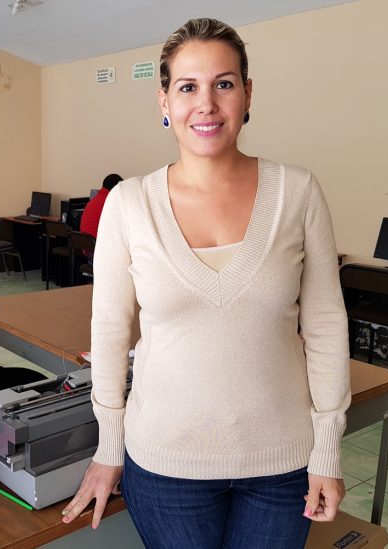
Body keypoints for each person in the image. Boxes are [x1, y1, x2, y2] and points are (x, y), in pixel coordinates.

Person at [62, 18, 350, 549]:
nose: (207, 104)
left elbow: (327, 326)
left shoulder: (299, 192)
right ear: (164, 101)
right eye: (188, 86)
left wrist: (327, 449)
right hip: (167, 466)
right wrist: (108, 447)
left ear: (246, 93)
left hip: (283, 465)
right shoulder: (129, 204)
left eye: (224, 83)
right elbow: (109, 331)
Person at [80, 173, 123, 239]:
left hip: (86, 244)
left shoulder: (96, 198)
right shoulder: (109, 201)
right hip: (98, 245)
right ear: (115, 188)